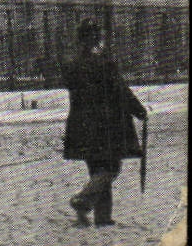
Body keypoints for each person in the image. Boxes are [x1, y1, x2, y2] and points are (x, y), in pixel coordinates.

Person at [62, 18, 146, 228]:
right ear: (96, 38)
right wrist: (139, 110)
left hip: (81, 125)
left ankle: (102, 218)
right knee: (111, 168)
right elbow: (120, 91)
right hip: (106, 125)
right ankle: (83, 199)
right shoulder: (105, 63)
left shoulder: (72, 65)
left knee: (97, 168)